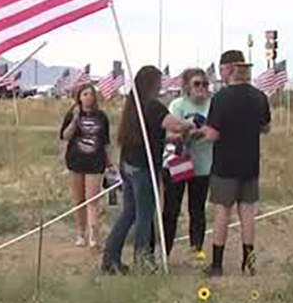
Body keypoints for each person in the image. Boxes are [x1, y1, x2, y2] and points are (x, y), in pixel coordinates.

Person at [101, 66, 194, 274]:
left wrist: (171, 138)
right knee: (144, 215)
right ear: (152, 83)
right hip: (143, 167)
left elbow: (153, 134)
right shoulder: (153, 106)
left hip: (128, 164)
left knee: (128, 213)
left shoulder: (134, 105)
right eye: (159, 81)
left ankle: (110, 258)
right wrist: (190, 123)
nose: (162, 85)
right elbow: (175, 125)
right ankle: (143, 260)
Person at [199, 50, 271, 278]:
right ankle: (249, 263)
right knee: (248, 213)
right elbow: (265, 127)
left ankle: (217, 265)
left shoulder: (221, 98)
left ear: (230, 70)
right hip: (250, 163)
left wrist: (198, 132)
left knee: (222, 213)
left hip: (224, 165)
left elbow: (212, 134)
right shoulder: (260, 96)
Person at [162, 68, 213, 264]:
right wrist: (188, 132)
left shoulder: (213, 105)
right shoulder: (178, 105)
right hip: (179, 161)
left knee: (197, 208)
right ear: (187, 87)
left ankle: (196, 249)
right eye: (197, 84)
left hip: (203, 164)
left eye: (205, 84)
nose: (202, 88)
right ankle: (165, 252)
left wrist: (203, 132)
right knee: (172, 209)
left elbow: (216, 130)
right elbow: (170, 133)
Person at [59, 83, 111, 248]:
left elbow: (106, 142)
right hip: (76, 161)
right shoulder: (72, 114)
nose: (88, 97)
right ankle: (80, 233)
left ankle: (94, 235)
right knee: (78, 200)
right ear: (79, 97)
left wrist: (110, 162)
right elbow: (65, 136)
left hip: (95, 162)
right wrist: (75, 119)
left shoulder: (101, 116)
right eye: (85, 94)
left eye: (91, 94)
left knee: (92, 200)